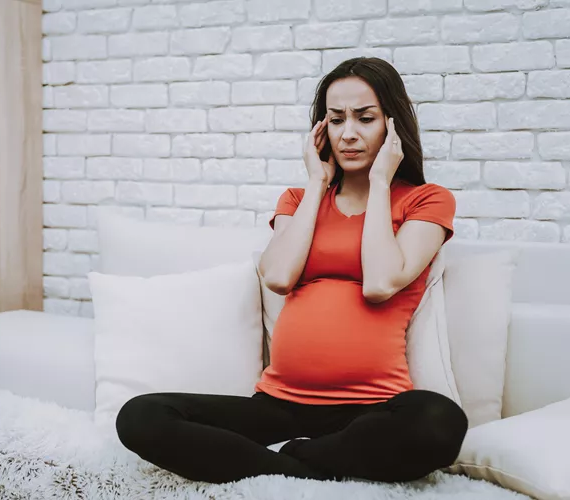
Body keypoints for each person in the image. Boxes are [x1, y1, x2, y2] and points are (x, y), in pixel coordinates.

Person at [115, 57, 468, 485]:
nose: (349, 133)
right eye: (336, 120)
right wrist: (317, 185)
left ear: (392, 127)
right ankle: (307, 470)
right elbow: (278, 276)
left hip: (372, 411)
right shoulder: (298, 199)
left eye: (365, 118)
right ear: (321, 129)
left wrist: (379, 183)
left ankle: (291, 463)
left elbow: (380, 283)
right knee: (142, 416)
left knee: (439, 422)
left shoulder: (426, 201)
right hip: (278, 407)